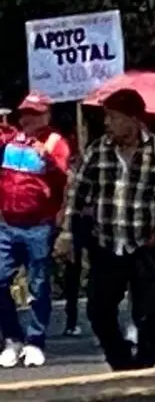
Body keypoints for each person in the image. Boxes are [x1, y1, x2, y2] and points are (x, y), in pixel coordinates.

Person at [55, 89, 155, 371]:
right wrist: (67, 235)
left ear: (133, 119)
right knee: (98, 310)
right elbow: (76, 195)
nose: (107, 124)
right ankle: (119, 359)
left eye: (113, 118)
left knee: (151, 312)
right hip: (107, 242)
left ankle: (146, 362)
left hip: (145, 245)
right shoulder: (98, 151)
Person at [0, 93, 71, 368]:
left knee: (39, 285)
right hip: (7, 224)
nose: (28, 118)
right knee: (1, 280)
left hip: (39, 226)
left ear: (46, 115)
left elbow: (66, 178)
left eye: (34, 113)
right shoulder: (9, 139)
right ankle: (12, 338)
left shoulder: (55, 143)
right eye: (25, 112)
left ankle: (35, 341)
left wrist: (50, 161)